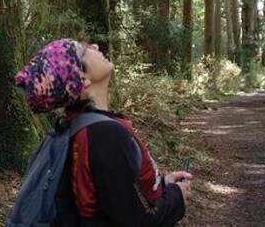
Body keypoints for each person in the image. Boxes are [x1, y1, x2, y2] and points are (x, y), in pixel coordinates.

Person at [15, 38, 191, 226]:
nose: (95, 47)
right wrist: (176, 198)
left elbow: (112, 194)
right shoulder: (104, 134)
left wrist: (162, 184)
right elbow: (137, 222)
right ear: (82, 79)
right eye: (84, 49)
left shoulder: (80, 125)